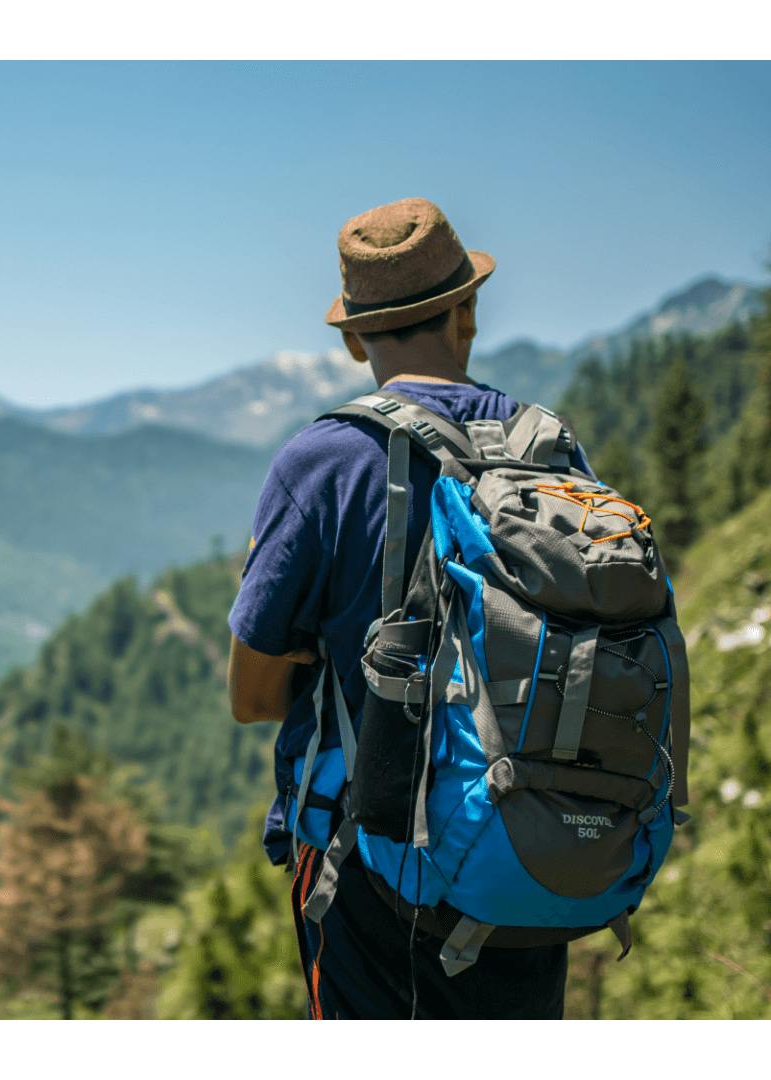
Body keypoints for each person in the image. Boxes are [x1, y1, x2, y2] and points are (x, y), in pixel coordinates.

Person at [226, 197, 581, 1020]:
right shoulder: (548, 449)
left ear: (353, 338)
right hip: (529, 856)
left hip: (373, 868)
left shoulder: (322, 461)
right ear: (470, 314)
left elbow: (251, 700)